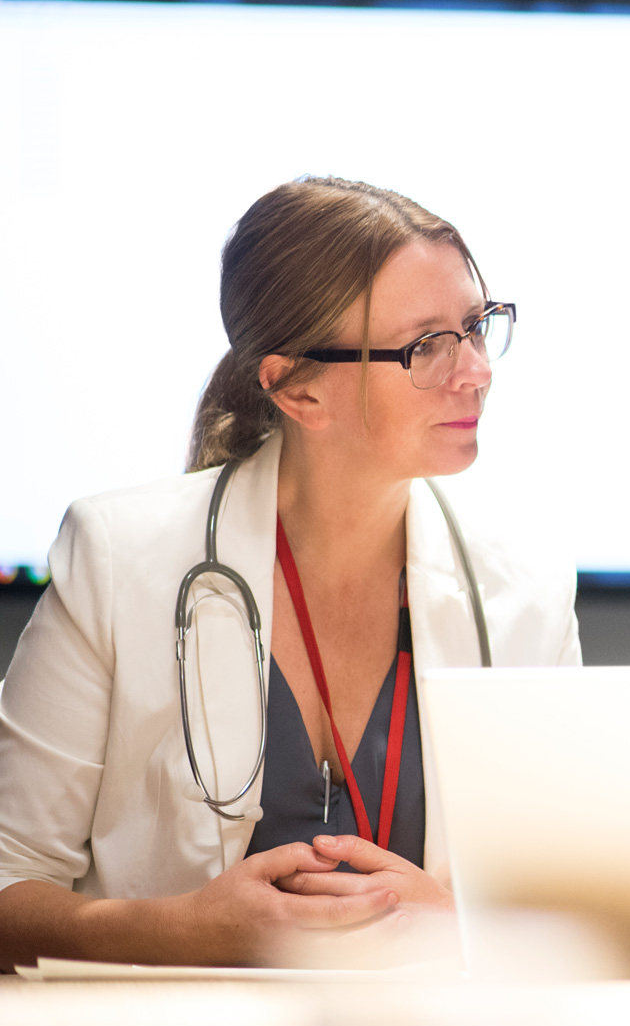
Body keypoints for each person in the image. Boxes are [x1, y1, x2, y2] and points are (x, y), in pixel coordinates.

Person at [0, 177, 581, 969]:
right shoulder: (114, 557)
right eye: (426, 346)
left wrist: (455, 922)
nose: (475, 370)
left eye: (477, 326)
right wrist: (178, 930)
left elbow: (571, 906)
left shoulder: (526, 590)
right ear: (297, 387)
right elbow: (9, 888)